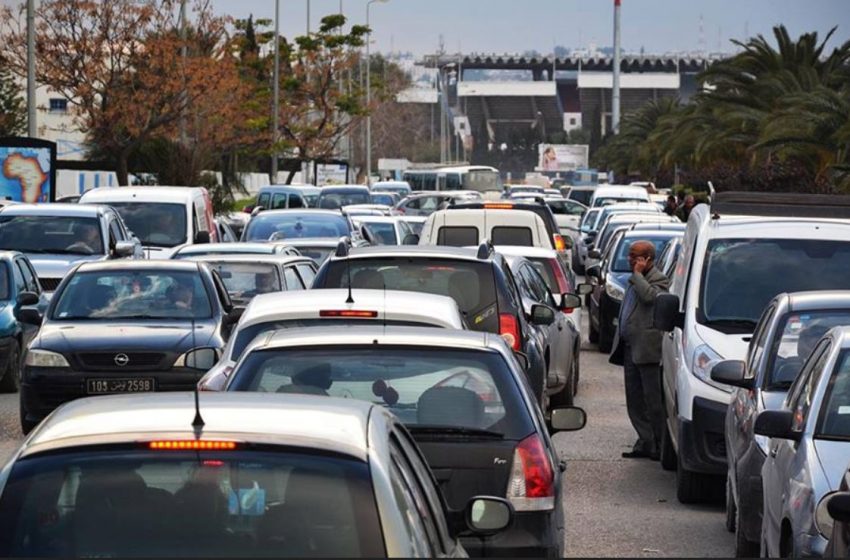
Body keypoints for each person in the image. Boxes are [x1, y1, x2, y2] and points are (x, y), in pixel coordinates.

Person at [609, 241, 670, 460]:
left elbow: (650, 298)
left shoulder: (657, 279)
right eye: (630, 256)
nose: (631, 260)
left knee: (652, 400)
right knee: (634, 399)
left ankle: (659, 444)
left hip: (647, 350)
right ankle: (644, 441)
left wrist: (638, 275)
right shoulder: (634, 279)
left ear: (648, 259)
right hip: (630, 346)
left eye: (635, 257)